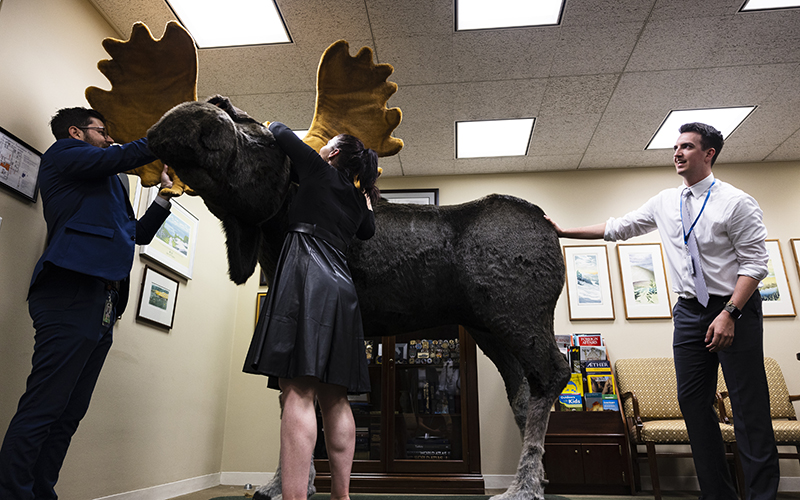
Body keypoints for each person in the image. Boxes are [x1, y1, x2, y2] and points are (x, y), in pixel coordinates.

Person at [547, 122, 779, 500]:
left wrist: (730, 314)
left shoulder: (736, 202)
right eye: (675, 146)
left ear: (709, 154)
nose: (677, 152)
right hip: (689, 312)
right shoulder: (665, 202)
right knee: (692, 402)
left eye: (687, 146)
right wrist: (562, 231)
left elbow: (755, 264)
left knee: (748, 408)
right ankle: (718, 495)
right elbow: (619, 227)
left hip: (734, 309)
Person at [0, 107, 176, 500]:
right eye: (104, 131)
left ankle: (41, 492)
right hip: (69, 289)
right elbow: (120, 156)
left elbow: (135, 234)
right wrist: (169, 134)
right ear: (76, 132)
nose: (110, 138)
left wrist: (164, 196)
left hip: (104, 300)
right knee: (44, 406)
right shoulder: (62, 153)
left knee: (68, 413)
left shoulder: (110, 183)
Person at [243, 122, 379, 500]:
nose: (320, 148)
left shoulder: (318, 170)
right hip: (342, 290)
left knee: (298, 390)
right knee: (335, 397)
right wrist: (365, 190)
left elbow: (279, 130)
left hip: (307, 274)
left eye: (327, 145)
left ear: (333, 153)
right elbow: (367, 229)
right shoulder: (357, 201)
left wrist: (290, 130)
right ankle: (341, 496)